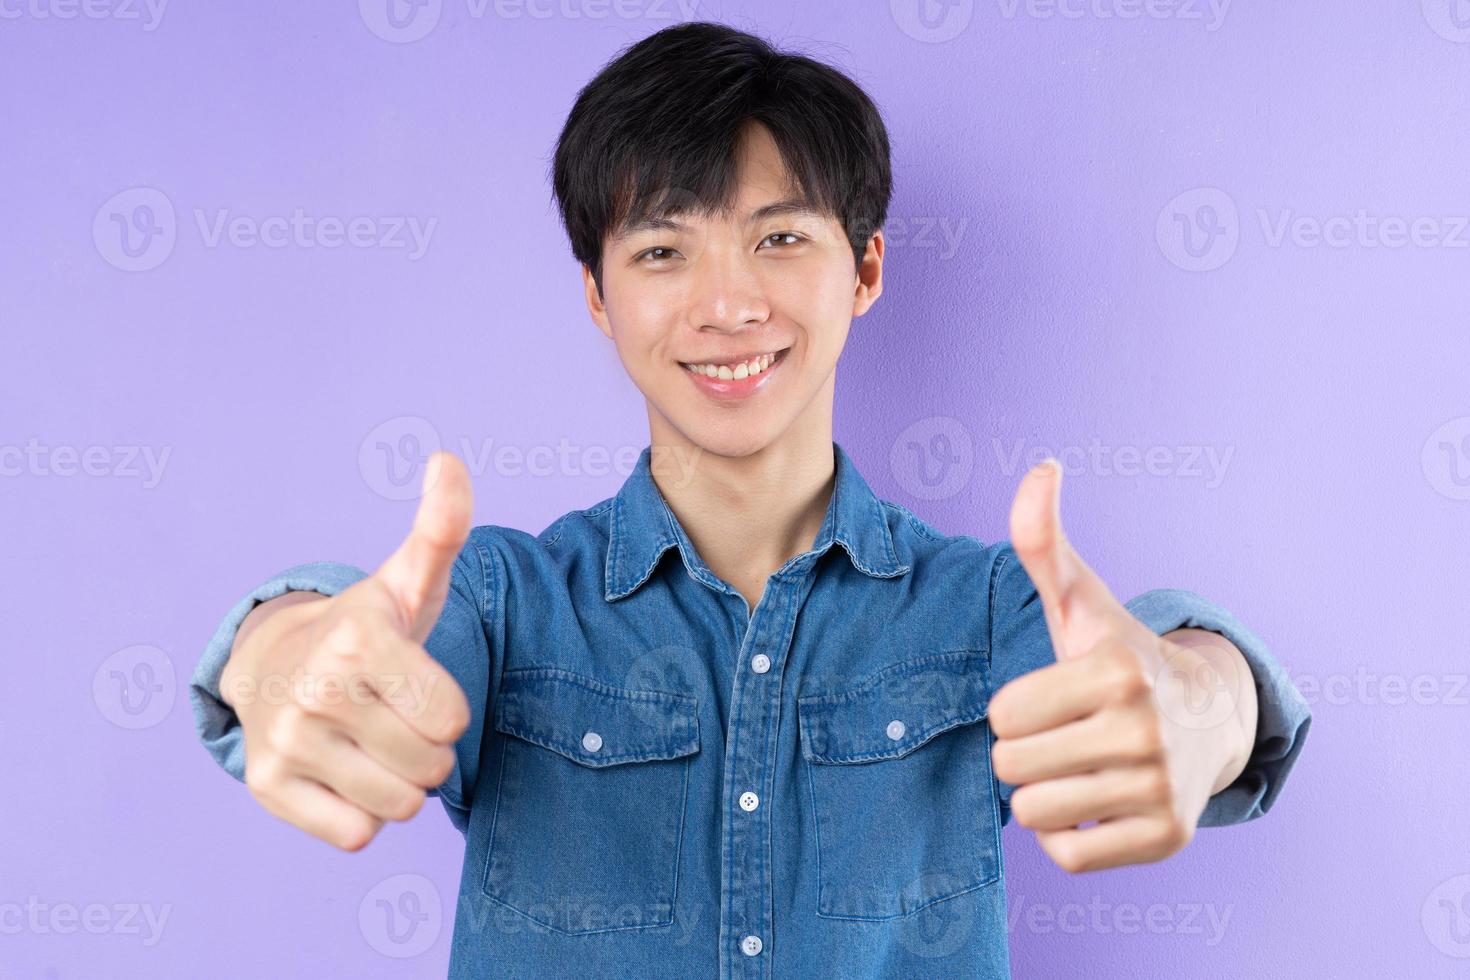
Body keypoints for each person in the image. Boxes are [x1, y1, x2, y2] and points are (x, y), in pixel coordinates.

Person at [189, 21, 1311, 980]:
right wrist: (278, 655)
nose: (727, 303)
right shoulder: (506, 597)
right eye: (664, 249)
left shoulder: (980, 606)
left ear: (865, 270)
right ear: (597, 295)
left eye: (779, 238)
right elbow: (353, 640)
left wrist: (1200, 699)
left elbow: (1162, 674)